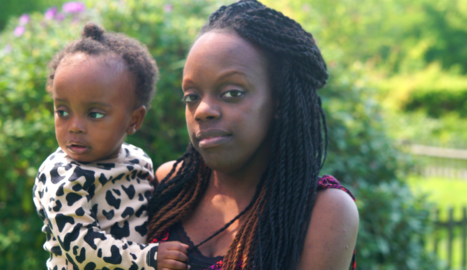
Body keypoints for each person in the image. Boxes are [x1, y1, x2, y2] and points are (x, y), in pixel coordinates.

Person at [146, 0, 359, 269]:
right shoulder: (169, 184)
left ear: (280, 102)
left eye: (232, 93)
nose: (203, 110)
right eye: (192, 96)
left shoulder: (323, 211)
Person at [32, 23, 189, 270]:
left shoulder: (138, 160)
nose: (74, 126)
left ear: (133, 120)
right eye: (62, 111)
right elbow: (82, 247)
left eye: (93, 114)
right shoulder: (61, 176)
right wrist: (149, 258)